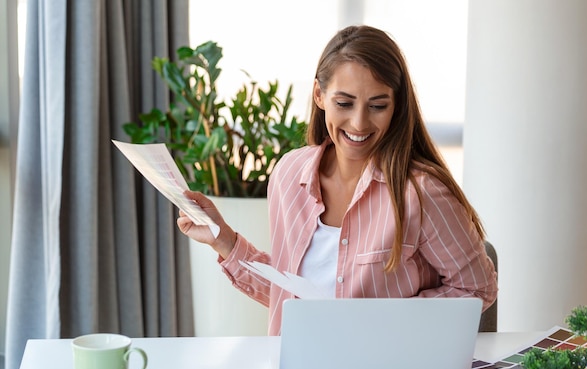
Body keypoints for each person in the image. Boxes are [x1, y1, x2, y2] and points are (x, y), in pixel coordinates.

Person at [178, 25, 498, 335]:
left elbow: (477, 288)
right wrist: (223, 239)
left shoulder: (421, 192)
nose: (359, 123)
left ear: (396, 105)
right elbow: (288, 295)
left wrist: (386, 324)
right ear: (319, 95)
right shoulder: (289, 175)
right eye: (344, 103)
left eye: (377, 106)